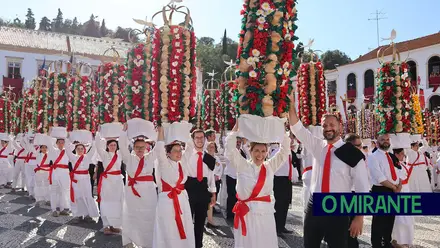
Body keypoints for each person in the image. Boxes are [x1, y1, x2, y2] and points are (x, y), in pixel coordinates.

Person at [288, 92, 369, 248]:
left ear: (339, 126)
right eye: (325, 125)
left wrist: (359, 218)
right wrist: (291, 106)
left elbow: (362, 187)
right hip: (315, 204)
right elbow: (297, 129)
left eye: (332, 125)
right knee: (310, 244)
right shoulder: (318, 146)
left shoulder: (352, 153)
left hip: (338, 206)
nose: (328, 128)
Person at [225, 122, 290, 248]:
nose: (260, 155)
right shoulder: (242, 165)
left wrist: (281, 128)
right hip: (246, 214)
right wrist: (237, 127)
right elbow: (230, 149)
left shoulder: (270, 166)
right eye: (256, 151)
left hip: (265, 215)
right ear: (250, 150)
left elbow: (284, 151)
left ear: (267, 152)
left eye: (263, 151)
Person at [153, 126, 195, 248]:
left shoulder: (183, 163)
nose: (179, 153)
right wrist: (161, 133)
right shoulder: (163, 163)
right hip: (166, 202)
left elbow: (190, 147)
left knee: (184, 224)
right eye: (175, 151)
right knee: (168, 228)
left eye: (180, 150)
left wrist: (185, 130)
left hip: (182, 201)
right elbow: (159, 150)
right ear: (168, 153)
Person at [120, 125, 157, 248]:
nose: (140, 149)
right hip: (132, 192)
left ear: (147, 148)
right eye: (137, 147)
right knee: (131, 215)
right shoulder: (128, 158)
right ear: (134, 148)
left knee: (148, 216)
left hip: (149, 192)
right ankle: (129, 240)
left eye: (142, 147)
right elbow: (122, 146)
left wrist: (157, 132)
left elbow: (159, 147)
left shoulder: (151, 157)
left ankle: (148, 242)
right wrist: (124, 132)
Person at [183, 129, 216, 248]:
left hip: (203, 190)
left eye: (202, 137)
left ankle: (198, 245)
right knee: (187, 220)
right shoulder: (186, 155)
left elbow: (211, 176)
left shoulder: (208, 157)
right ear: (193, 140)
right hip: (189, 188)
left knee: (200, 222)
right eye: (197, 137)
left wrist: (213, 193)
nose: (200, 140)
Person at [368, 134, 402, 248]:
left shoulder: (392, 156)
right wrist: (394, 187)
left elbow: (399, 172)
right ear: (377, 142)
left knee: (390, 218)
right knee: (379, 220)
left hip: (394, 190)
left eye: (387, 139)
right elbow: (379, 177)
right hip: (380, 190)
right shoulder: (373, 157)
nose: (386, 142)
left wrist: (399, 186)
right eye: (383, 140)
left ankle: (387, 242)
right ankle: (377, 244)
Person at [95, 131, 124, 235]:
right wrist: (98, 132)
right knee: (106, 202)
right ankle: (106, 225)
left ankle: (114, 225)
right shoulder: (104, 154)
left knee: (117, 203)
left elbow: (125, 142)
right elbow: (97, 144)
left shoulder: (120, 154)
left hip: (118, 182)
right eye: (111, 145)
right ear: (107, 146)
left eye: (114, 145)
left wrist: (122, 132)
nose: (113, 146)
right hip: (107, 182)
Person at [65, 140, 99, 223]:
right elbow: (67, 149)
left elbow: (94, 148)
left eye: (82, 149)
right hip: (76, 179)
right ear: (75, 149)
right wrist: (69, 138)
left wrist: (93, 139)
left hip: (86, 178)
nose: (80, 150)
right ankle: (77, 215)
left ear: (84, 150)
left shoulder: (87, 156)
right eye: (78, 148)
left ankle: (88, 215)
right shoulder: (72, 157)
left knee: (87, 195)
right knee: (77, 196)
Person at [273, 134, 296, 237]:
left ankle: (282, 226)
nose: (291, 141)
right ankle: (276, 228)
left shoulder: (289, 152)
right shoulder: (277, 151)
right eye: (289, 140)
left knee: (286, 203)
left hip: (287, 179)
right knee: (279, 204)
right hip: (279, 180)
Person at [391, 148, 415, 248]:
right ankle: (397, 240)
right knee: (400, 219)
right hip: (398, 192)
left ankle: (407, 239)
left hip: (406, 191)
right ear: (395, 154)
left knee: (408, 218)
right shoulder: (393, 165)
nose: (403, 156)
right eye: (401, 154)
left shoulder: (403, 164)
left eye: (403, 154)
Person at [48, 136, 71, 217]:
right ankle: (54, 209)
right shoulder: (53, 151)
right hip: (55, 172)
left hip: (65, 173)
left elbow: (71, 142)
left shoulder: (68, 151)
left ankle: (63, 208)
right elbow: (49, 143)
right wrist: (49, 133)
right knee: (54, 190)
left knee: (64, 191)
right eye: (59, 142)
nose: (61, 144)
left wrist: (67, 134)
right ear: (56, 143)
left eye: (62, 142)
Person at [225, 137, 247, 221]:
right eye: (236, 142)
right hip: (231, 175)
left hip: (240, 177)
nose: (238, 143)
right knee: (231, 196)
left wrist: (244, 145)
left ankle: (237, 212)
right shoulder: (230, 152)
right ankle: (230, 214)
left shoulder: (242, 152)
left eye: (239, 142)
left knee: (239, 196)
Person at [23, 139, 50, 206]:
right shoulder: (37, 154)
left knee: (47, 185)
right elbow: (31, 149)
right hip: (39, 171)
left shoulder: (50, 155)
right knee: (39, 185)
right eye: (42, 147)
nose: (44, 149)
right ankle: (39, 199)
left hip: (47, 171)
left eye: (45, 147)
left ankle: (48, 199)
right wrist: (31, 142)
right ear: (40, 149)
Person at [206, 141, 222, 228]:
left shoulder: (217, 158)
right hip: (205, 183)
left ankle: (210, 221)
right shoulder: (204, 157)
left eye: (213, 147)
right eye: (210, 146)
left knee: (211, 203)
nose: (212, 148)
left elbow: (220, 168)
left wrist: (217, 176)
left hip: (214, 182)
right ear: (207, 148)